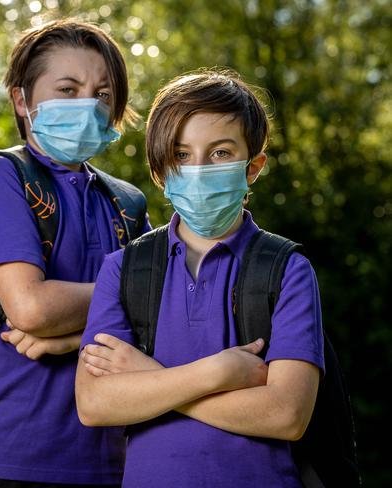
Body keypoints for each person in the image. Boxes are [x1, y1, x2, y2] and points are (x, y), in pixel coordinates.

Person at [75, 69, 324, 487]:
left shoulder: (288, 269)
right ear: (160, 171)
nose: (198, 168)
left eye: (221, 153)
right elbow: (94, 403)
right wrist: (217, 373)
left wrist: (148, 376)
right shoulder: (124, 269)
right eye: (181, 154)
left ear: (253, 167)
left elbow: (287, 415)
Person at [0, 19, 150, 487]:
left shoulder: (128, 202)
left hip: (117, 462)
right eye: (67, 88)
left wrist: (71, 338)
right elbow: (32, 308)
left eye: (102, 94)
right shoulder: (2, 177)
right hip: (13, 460)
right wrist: (125, 296)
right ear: (23, 100)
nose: (87, 104)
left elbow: (162, 317)